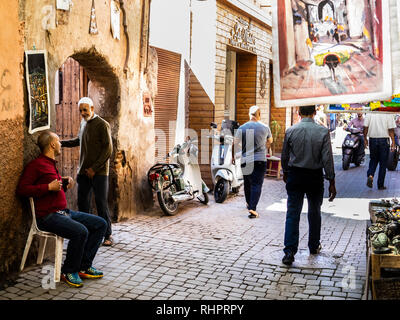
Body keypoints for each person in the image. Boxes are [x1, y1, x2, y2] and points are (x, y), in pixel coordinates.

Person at [17, 131, 107, 288]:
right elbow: (22, 189)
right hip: (47, 217)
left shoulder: (52, 164)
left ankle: (84, 266)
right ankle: (68, 271)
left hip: (64, 212)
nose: (60, 144)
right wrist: (47, 187)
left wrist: (63, 183)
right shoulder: (36, 165)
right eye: (58, 141)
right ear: (52, 144)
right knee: (81, 231)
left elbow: (53, 190)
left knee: (101, 224)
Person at [281, 105, 336, 266]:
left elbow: (285, 156)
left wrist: (285, 172)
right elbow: (327, 159)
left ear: (298, 112)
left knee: (292, 213)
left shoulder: (290, 131)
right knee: (314, 211)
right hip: (314, 176)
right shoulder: (322, 132)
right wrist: (331, 181)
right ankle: (313, 245)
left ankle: (289, 251)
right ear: (315, 112)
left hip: (295, 175)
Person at [61, 97, 114, 246]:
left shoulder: (103, 125)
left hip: (100, 173)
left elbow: (108, 149)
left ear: (92, 109)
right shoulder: (83, 123)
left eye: (85, 110)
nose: (83, 113)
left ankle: (107, 235)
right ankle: (88, 233)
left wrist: (94, 168)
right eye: (81, 110)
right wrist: (61, 143)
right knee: (83, 203)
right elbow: (78, 140)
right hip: (83, 171)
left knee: (101, 203)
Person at [234, 105, 273, 219]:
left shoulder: (242, 127)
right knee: (257, 184)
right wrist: (265, 147)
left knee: (247, 182)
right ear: (259, 114)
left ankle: (248, 203)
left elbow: (235, 144)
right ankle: (253, 208)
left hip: (246, 159)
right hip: (260, 159)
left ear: (249, 115)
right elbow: (270, 140)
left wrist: (234, 156)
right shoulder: (265, 127)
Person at [364, 113, 396, 190]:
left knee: (373, 160)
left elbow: (365, 127)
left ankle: (370, 175)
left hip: (372, 139)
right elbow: (391, 129)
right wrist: (393, 141)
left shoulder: (370, 113)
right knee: (383, 163)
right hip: (384, 140)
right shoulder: (388, 113)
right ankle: (380, 185)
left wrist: (365, 138)